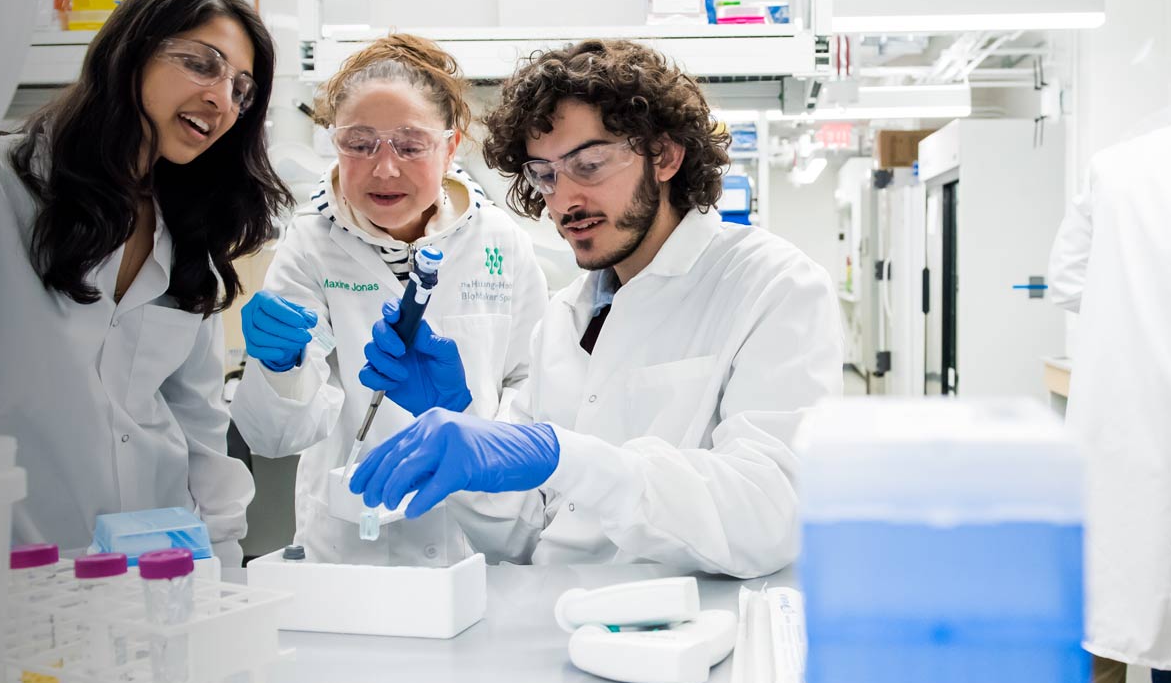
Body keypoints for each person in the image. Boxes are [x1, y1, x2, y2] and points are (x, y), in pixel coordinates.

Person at [350, 39, 843, 577]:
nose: (563, 201)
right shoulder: (564, 318)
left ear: (666, 156)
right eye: (545, 173)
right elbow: (524, 532)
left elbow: (772, 514)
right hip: (559, 628)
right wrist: (462, 424)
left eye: (588, 164)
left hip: (690, 640)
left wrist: (565, 455)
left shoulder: (772, 286)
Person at [0, 0, 291, 566]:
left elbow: (198, 423)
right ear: (128, 51)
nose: (222, 99)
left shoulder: (189, 231)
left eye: (242, 88)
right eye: (200, 63)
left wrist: (223, 565)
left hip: (158, 579)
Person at [230, 34, 547, 566]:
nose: (384, 169)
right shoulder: (312, 242)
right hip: (352, 547)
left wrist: (474, 432)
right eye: (359, 143)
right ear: (335, 143)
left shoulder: (498, 239)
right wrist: (279, 368)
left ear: (450, 147)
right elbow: (275, 437)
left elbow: (532, 383)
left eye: (410, 144)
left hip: (472, 537)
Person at [1047, 116, 1171, 683]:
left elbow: (1069, 282)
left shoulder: (1122, 166)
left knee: (1100, 654)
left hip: (1128, 446)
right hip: (1129, 451)